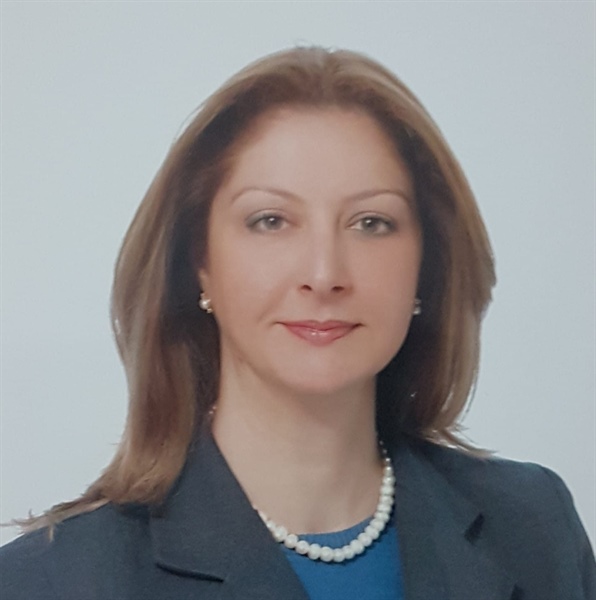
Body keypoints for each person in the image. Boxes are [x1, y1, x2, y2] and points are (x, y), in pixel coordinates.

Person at [0, 46, 594, 600]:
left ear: (428, 264)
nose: (324, 273)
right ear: (199, 262)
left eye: (371, 223)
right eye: (271, 221)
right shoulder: (50, 582)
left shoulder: (534, 527)